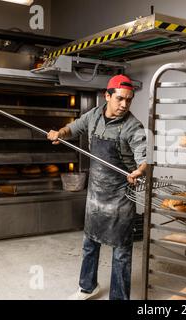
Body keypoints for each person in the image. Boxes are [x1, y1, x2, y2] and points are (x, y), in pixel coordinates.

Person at [47, 74, 147, 300]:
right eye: (120, 99)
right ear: (107, 96)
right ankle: (87, 286)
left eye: (128, 100)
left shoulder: (133, 126)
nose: (124, 105)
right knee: (89, 243)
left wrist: (139, 171)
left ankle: (119, 297)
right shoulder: (93, 115)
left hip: (121, 197)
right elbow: (73, 128)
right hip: (96, 194)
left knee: (121, 251)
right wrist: (60, 133)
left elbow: (144, 155)